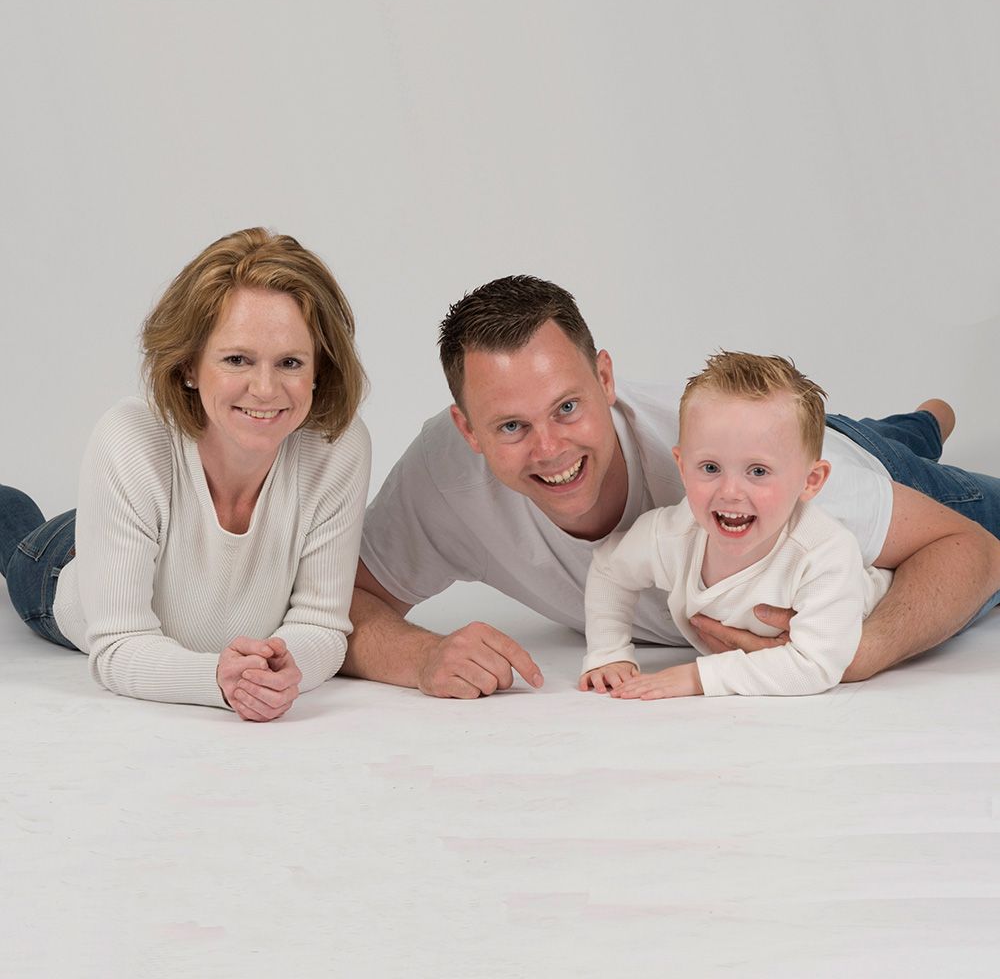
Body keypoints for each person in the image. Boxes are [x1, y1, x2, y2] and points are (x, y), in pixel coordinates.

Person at [342, 275, 1000, 699]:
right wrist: (421, 657)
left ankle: (913, 434)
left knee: (912, 469)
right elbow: (340, 601)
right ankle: (923, 421)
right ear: (467, 429)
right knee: (884, 430)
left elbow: (971, 550)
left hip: (856, 468)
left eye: (567, 407)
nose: (550, 450)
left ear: (605, 379)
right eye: (512, 425)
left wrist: (858, 651)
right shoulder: (442, 477)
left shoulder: (760, 486)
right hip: (804, 439)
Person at [0, 228, 370, 721]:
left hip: (145, 525)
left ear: (319, 369)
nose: (265, 389)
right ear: (189, 365)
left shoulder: (338, 447)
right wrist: (217, 679)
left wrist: (281, 669)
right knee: (13, 526)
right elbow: (118, 643)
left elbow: (322, 625)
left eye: (290, 362)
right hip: (62, 564)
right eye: (237, 359)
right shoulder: (130, 440)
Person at [580, 351, 893, 699]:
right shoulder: (673, 535)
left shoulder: (824, 553)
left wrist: (698, 678)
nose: (730, 492)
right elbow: (610, 569)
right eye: (710, 468)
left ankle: (929, 418)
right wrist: (608, 652)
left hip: (884, 518)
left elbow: (815, 666)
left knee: (906, 442)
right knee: (899, 430)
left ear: (811, 481)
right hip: (859, 442)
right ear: (682, 466)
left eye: (758, 471)